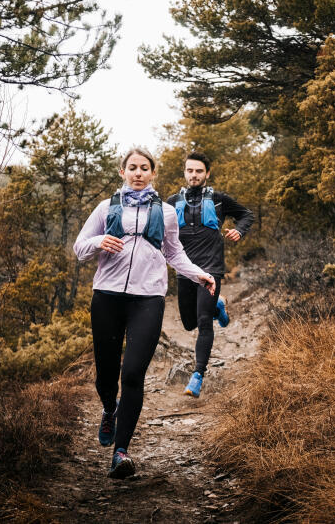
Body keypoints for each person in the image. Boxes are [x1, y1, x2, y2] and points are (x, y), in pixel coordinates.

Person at [73, 147, 215, 479]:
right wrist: (99, 242)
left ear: (153, 174)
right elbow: (79, 249)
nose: (138, 172)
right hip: (106, 297)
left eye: (144, 168)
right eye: (132, 167)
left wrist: (200, 274)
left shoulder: (165, 213)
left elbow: (175, 254)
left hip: (148, 299)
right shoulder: (106, 207)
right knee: (106, 377)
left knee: (133, 374)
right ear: (122, 172)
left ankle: (120, 453)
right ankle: (110, 409)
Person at [166, 151, 254, 398]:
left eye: (199, 171)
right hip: (185, 270)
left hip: (211, 268)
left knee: (203, 321)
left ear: (206, 173)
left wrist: (239, 230)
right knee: (188, 322)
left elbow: (247, 214)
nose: (194, 175)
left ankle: (197, 375)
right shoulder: (172, 201)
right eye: (190, 170)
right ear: (184, 172)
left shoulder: (218, 199)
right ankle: (219, 306)